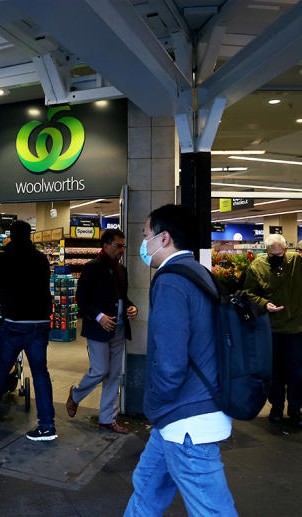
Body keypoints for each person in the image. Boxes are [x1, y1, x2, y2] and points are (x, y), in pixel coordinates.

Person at [123, 204, 237, 517]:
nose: (143, 244)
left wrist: (155, 404)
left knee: (212, 509)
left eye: (146, 235)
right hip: (182, 415)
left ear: (164, 238)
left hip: (186, 420)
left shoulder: (171, 281)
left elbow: (170, 361)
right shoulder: (199, 272)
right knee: (147, 486)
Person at [0, 220, 57, 441]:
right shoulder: (41, 259)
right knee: (40, 373)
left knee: (2, 366)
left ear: (11, 236)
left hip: (15, 324)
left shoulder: (6, 259)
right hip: (39, 323)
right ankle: (47, 426)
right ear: (29, 236)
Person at [66, 229, 137, 433]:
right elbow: (82, 299)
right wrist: (100, 317)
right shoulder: (91, 268)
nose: (122, 250)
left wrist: (132, 308)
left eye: (123, 246)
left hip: (120, 328)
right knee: (100, 370)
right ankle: (76, 395)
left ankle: (108, 419)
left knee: (114, 374)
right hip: (98, 329)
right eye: (118, 246)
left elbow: (123, 297)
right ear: (105, 246)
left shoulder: (122, 270)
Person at [243, 234, 302, 426]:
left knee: (296, 373)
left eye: (281, 253)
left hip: (296, 328)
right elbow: (249, 293)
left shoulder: (296, 262)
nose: (277, 257)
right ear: (266, 251)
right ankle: (276, 408)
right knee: (274, 373)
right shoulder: (257, 267)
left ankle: (295, 410)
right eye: (273, 254)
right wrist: (264, 303)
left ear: (285, 249)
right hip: (271, 330)